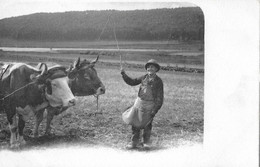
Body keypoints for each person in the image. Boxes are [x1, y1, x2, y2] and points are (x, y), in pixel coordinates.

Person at [120, 59, 164, 149]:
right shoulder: (143, 77)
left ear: (156, 69)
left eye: (152, 67)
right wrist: (123, 74)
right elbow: (132, 82)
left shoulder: (159, 81)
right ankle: (134, 142)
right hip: (139, 103)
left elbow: (160, 98)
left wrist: (155, 110)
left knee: (147, 124)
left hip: (150, 106)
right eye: (148, 67)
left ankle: (146, 142)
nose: (150, 68)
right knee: (135, 123)